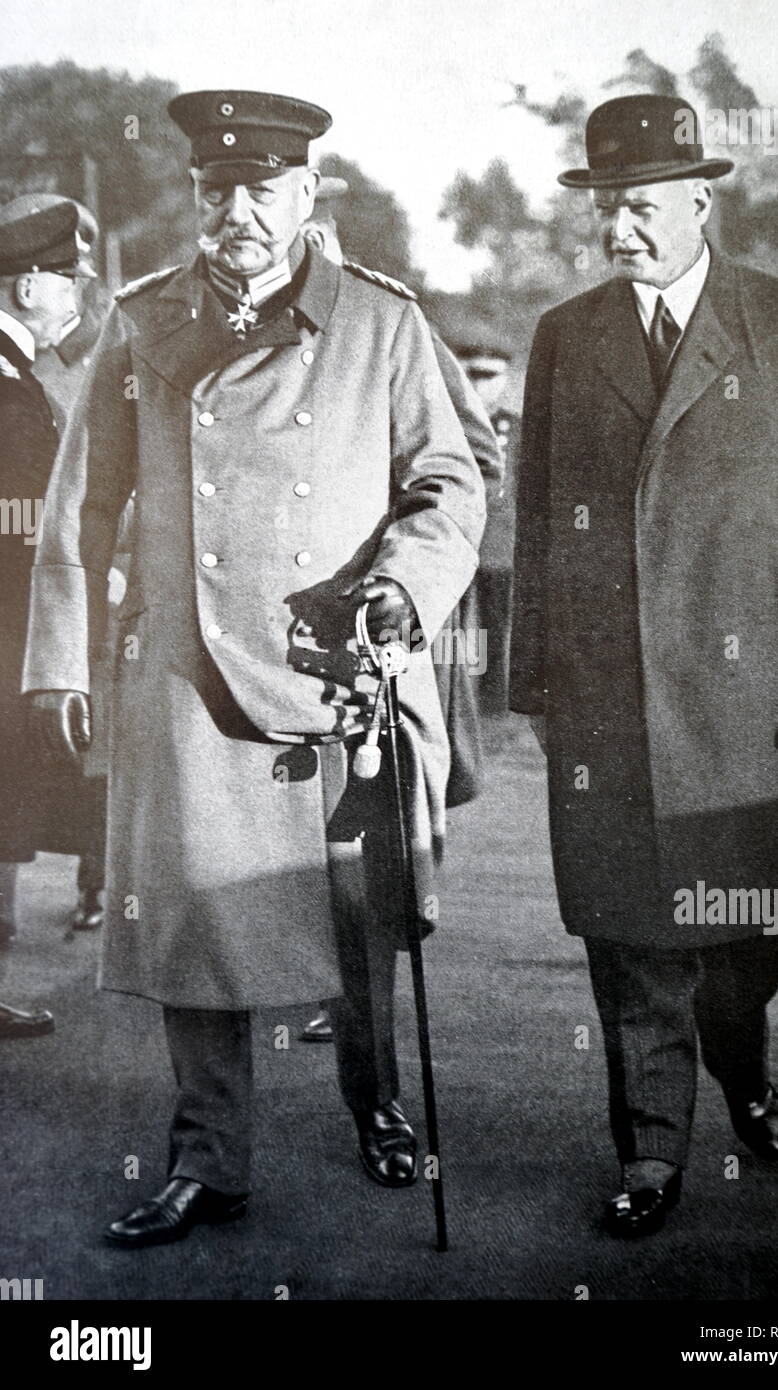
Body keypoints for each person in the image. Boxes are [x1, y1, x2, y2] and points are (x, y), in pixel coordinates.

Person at [23, 88, 485, 1246]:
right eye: (217, 187)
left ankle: (375, 1103)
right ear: (196, 195)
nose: (238, 208)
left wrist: (403, 590)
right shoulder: (140, 322)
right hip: (187, 669)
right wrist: (59, 662)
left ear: (307, 194)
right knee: (191, 921)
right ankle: (205, 1158)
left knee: (356, 911)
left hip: (339, 663)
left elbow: (451, 484)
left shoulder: (381, 325)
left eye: (263, 186)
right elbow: (81, 507)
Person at [510, 93, 778, 1237]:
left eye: (640, 207)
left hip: (756, 693)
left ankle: (742, 1066)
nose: (618, 229)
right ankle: (650, 1148)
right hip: (610, 692)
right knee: (629, 936)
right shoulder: (565, 337)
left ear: (698, 202)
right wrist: (534, 677)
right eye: (605, 208)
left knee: (743, 940)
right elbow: (529, 516)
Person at [297, 183, 502, 1044]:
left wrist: (409, 570)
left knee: (392, 822)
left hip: (391, 616)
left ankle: (368, 991)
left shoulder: (388, 325)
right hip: (284, 637)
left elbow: (471, 461)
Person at [0, 193, 108, 935]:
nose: (83, 293)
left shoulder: (20, 379)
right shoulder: (11, 388)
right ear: (30, 287)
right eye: (73, 278)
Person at [453, 343, 518, 719]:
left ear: (505, 381)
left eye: (489, 376)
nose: (479, 385)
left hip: (500, 546)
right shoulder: (446, 422)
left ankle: (493, 704)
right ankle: (455, 700)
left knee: (496, 626)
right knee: (450, 628)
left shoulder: (520, 428)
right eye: (471, 374)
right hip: (455, 541)